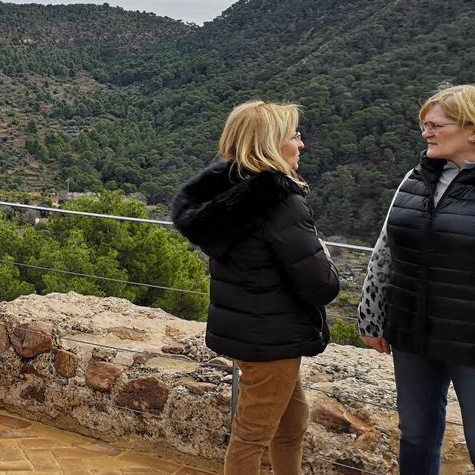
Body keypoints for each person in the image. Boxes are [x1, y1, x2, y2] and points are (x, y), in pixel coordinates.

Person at [171, 100, 339, 475]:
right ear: (270, 144)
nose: (302, 144)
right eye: (295, 136)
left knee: (292, 422)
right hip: (272, 339)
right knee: (251, 437)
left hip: (251, 332)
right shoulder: (279, 205)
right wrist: (326, 257)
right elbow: (321, 286)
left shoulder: (225, 199)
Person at [358, 84, 475, 474]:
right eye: (424, 124)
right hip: (413, 333)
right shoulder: (416, 177)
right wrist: (371, 316)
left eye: (435, 125)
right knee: (415, 435)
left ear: (471, 129)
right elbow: (385, 250)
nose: (426, 132)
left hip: (469, 338)